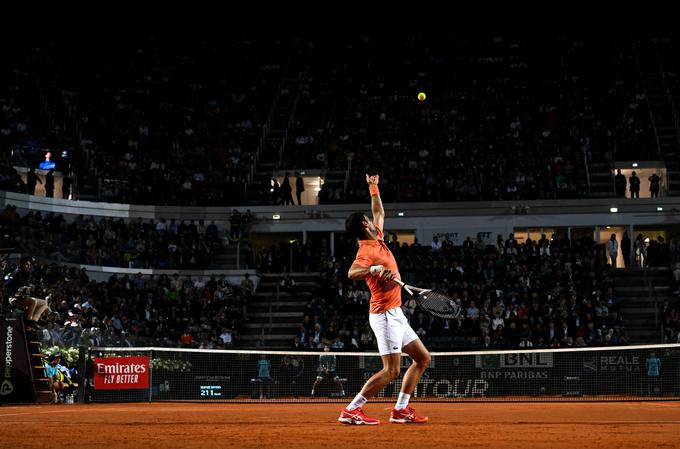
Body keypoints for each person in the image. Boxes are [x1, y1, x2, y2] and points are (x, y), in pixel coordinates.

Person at [339, 173, 430, 425]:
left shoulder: (377, 237)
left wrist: (373, 187)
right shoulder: (366, 251)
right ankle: (351, 410)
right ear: (364, 226)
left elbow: (379, 212)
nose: (372, 220)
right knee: (391, 370)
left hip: (397, 312)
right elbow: (352, 273)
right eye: (368, 220)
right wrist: (374, 270)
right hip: (384, 315)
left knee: (422, 359)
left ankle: (401, 410)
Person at [3, 256, 49, 323]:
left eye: (30, 265)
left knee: (44, 303)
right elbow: (5, 286)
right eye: (27, 264)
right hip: (13, 298)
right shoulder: (16, 273)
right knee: (33, 301)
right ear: (21, 264)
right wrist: (15, 294)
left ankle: (34, 321)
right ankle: (28, 321)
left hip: (23, 298)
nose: (29, 266)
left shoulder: (26, 274)